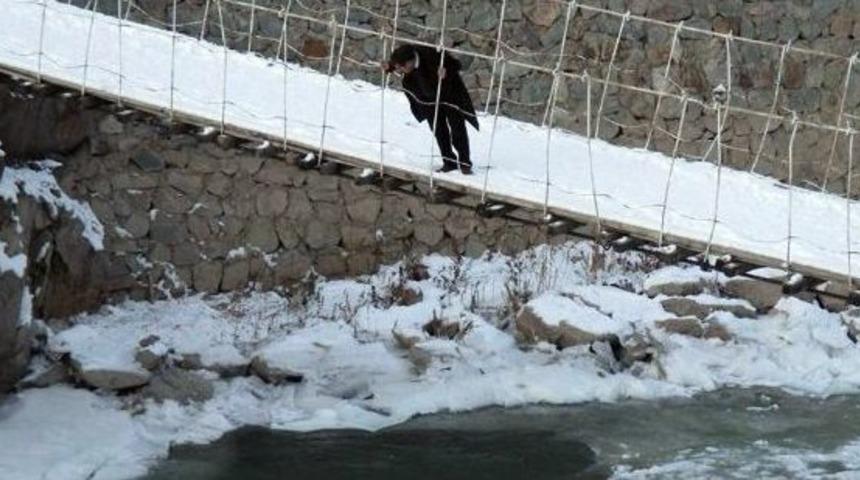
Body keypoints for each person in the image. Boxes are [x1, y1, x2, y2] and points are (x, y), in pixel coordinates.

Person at [383, 43, 479, 175]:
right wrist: (389, 67)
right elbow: (396, 64)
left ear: (411, 61)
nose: (401, 70)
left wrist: (446, 71)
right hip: (427, 99)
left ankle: (465, 163)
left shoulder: (432, 55)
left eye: (403, 67)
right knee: (439, 130)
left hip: (449, 96)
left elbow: (456, 64)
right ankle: (449, 162)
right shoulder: (404, 59)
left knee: (457, 129)